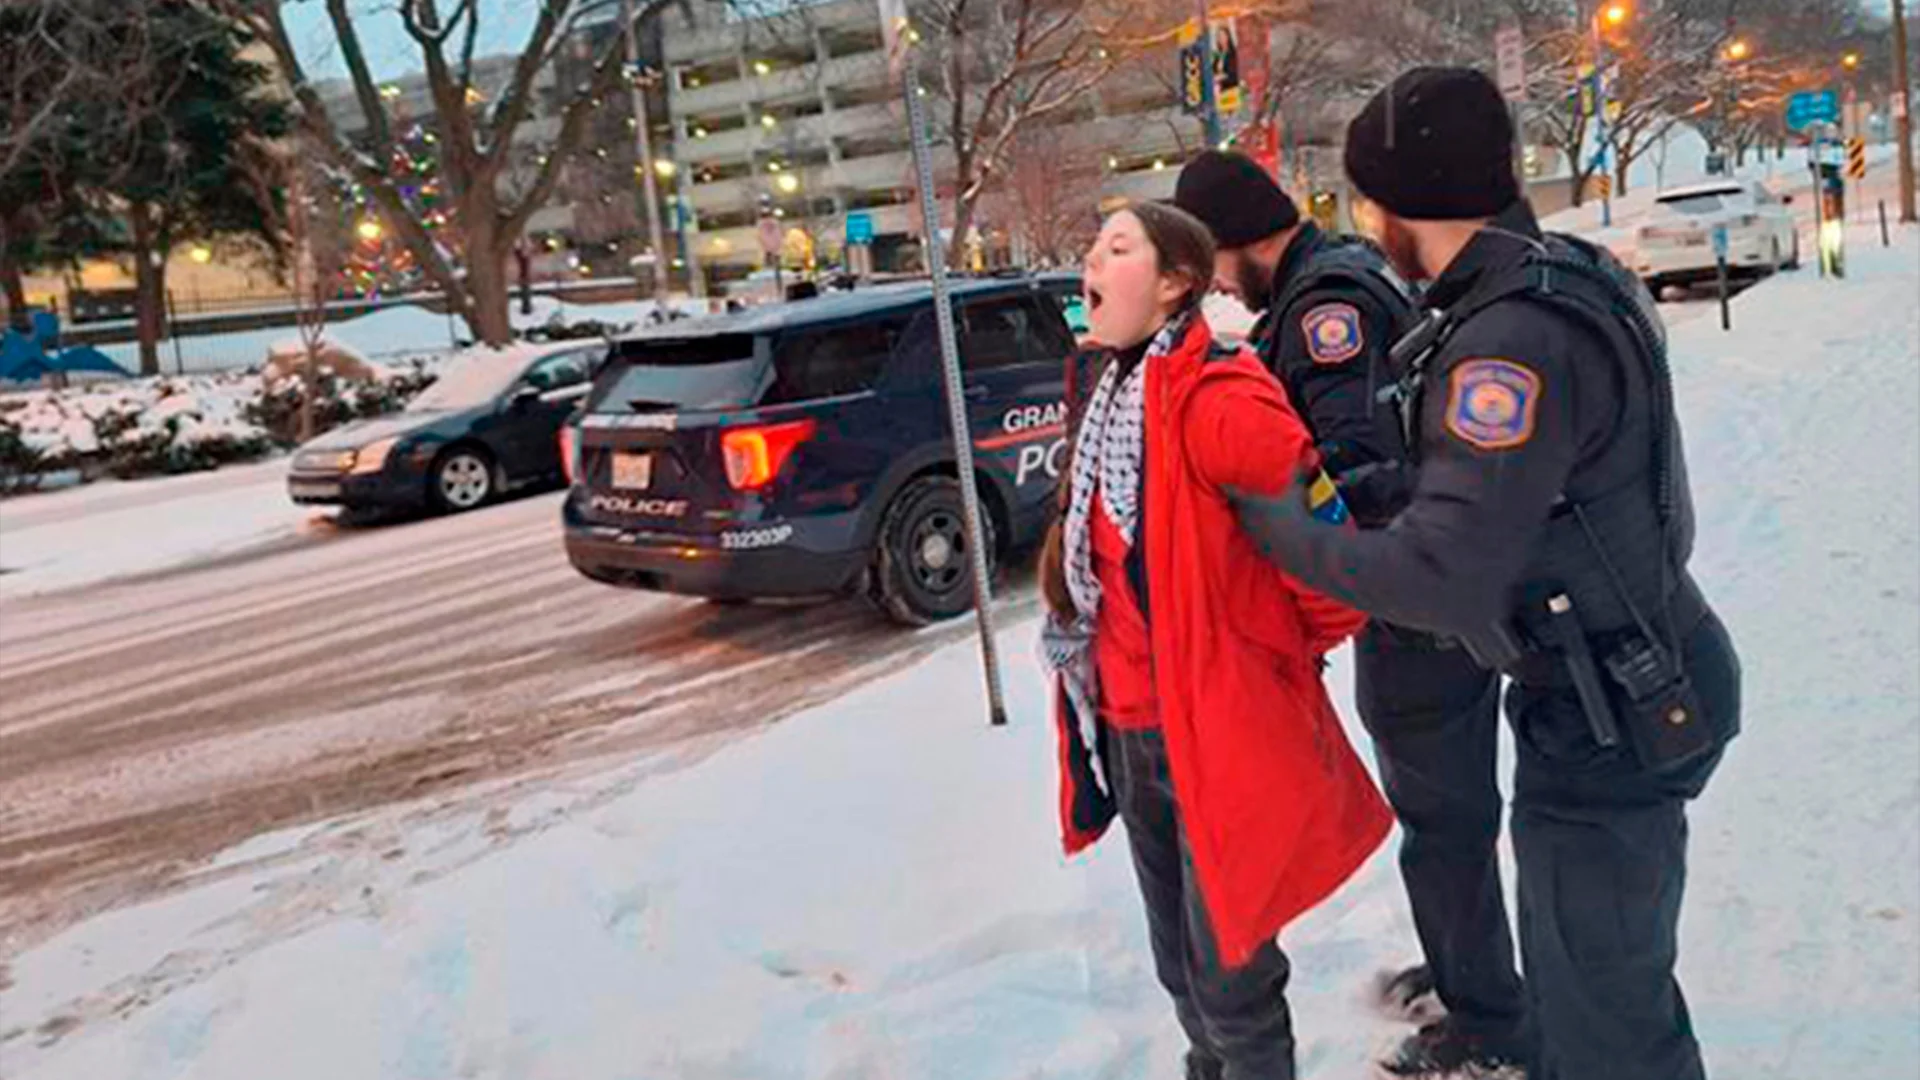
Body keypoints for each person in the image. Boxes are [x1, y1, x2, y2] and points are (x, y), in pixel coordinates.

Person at [1232, 68, 1742, 1080]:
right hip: (1607, 692)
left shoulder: (1510, 341)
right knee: (1581, 996)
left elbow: (1442, 584)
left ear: (1396, 200)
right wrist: (1382, 488)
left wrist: (1279, 525)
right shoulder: (1552, 276)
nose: (1364, 219)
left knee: (1610, 1033)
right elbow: (1524, 487)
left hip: (1618, 715)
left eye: (1367, 198)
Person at [1176, 150, 1523, 1077]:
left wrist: (1285, 541)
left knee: (1442, 814)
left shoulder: (1326, 309)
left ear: (1239, 241)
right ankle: (1470, 970)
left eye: (1212, 264)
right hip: (1422, 591)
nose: (1215, 287)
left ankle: (1490, 1024)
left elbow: (1357, 470)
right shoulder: (1337, 279)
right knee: (1444, 811)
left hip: (1412, 604)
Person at [1039, 201, 1390, 1080]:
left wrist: (1267, 662)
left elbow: (1330, 564)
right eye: (1092, 246)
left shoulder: (1219, 397)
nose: (1092, 260)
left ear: (1175, 284)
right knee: (1180, 965)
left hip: (1216, 727)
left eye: (1118, 248)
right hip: (1123, 723)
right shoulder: (1106, 386)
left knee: (1233, 971)